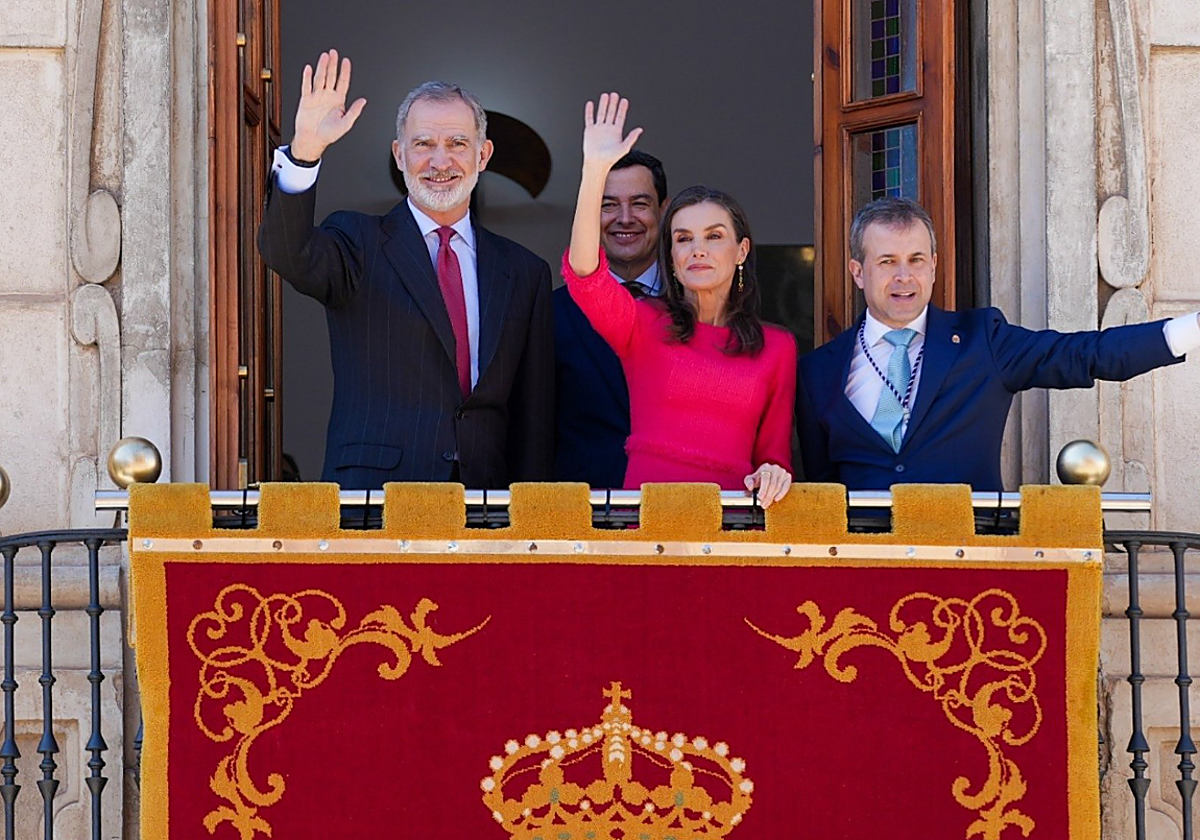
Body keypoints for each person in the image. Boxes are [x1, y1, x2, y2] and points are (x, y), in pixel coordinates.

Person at [258, 50, 553, 489]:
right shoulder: (358, 242)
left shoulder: (525, 272)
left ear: (484, 154)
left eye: (457, 143)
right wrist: (305, 151)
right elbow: (287, 252)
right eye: (423, 144)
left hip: (487, 508)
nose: (440, 161)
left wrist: (531, 514)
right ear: (399, 154)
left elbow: (533, 416)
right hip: (375, 502)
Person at [796, 196, 1200, 491]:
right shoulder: (818, 371)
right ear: (858, 272)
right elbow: (820, 487)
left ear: (934, 266)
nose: (904, 276)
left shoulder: (982, 340)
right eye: (887, 262)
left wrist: (1193, 327)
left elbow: (1086, 354)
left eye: (916, 260)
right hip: (860, 574)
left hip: (969, 570)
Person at [561, 92, 796, 506]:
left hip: (732, 528)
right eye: (683, 239)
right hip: (647, 523)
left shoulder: (778, 347)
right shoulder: (642, 324)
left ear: (741, 250)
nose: (698, 250)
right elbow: (585, 273)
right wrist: (594, 171)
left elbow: (774, 456)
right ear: (671, 254)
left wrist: (775, 472)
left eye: (714, 237)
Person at [554, 150, 668, 487]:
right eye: (608, 205)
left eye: (640, 203)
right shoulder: (549, 313)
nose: (625, 218)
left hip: (679, 507)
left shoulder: (698, 308)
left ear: (664, 210)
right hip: (579, 511)